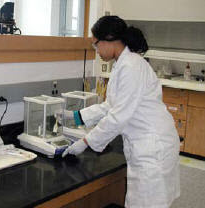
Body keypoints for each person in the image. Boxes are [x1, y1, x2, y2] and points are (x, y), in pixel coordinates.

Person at [62, 16, 180, 208]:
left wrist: (86, 142)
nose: (96, 50)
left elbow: (118, 117)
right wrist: (77, 116)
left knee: (146, 203)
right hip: (149, 141)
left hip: (152, 145)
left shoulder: (131, 66)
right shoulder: (123, 64)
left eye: (96, 44)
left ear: (109, 39)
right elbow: (112, 105)